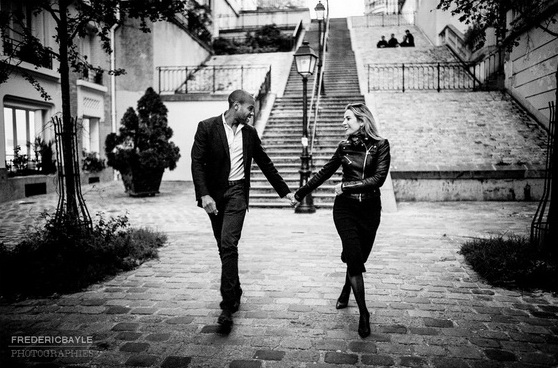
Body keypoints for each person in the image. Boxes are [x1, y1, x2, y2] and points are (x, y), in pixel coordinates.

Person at [191, 89, 297, 329]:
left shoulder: (250, 134)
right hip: (215, 196)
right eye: (250, 108)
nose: (252, 113)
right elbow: (197, 163)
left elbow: (265, 163)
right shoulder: (207, 127)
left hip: (238, 193)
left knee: (229, 244)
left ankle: (227, 307)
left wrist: (286, 192)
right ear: (236, 105)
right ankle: (235, 289)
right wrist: (204, 194)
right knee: (223, 246)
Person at [294, 103, 390, 338]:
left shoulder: (381, 146)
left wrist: (345, 186)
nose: (343, 122)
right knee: (355, 259)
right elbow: (324, 172)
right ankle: (364, 314)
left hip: (369, 211)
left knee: (358, 256)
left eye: (347, 118)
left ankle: (347, 289)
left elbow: (378, 179)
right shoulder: (344, 147)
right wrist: (299, 194)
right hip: (345, 210)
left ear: (361, 120)